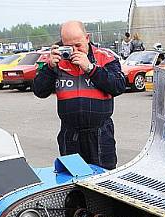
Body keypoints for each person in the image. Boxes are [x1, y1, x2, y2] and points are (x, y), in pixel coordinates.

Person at [32, 21, 125, 170]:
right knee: (73, 182)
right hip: (70, 134)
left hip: (100, 135)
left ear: (87, 38)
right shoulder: (55, 60)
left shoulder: (105, 57)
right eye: (69, 46)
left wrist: (90, 68)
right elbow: (39, 91)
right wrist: (49, 68)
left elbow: (119, 86)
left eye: (78, 45)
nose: (74, 51)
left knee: (103, 181)